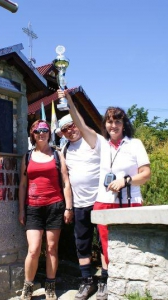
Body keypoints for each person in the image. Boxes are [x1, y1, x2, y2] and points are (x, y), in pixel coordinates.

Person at [94, 106, 151, 291]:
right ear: (105, 124)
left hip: (129, 202)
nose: (113, 125)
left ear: (124, 125)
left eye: (117, 121)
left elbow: (146, 174)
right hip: (104, 201)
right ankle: (112, 285)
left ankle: (133, 287)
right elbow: (82, 127)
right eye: (110, 121)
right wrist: (68, 100)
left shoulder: (135, 144)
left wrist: (126, 180)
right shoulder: (101, 145)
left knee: (132, 247)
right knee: (106, 247)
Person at [18, 119, 73, 300]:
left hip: (54, 206)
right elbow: (23, 185)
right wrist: (21, 210)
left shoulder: (57, 155)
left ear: (49, 133)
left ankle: (50, 285)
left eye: (45, 130)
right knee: (33, 249)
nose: (41, 133)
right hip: (33, 207)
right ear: (32, 135)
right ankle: (28, 286)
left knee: (51, 248)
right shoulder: (27, 156)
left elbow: (65, 182)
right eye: (37, 131)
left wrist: (68, 207)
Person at [56, 90, 104, 300]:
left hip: (101, 201)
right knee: (82, 243)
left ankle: (105, 280)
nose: (70, 130)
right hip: (80, 204)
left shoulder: (93, 139)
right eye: (65, 129)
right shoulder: (65, 149)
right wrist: (69, 207)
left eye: (72, 125)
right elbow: (66, 180)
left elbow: (82, 123)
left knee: (104, 242)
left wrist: (69, 101)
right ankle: (86, 281)